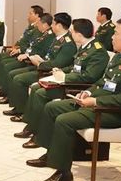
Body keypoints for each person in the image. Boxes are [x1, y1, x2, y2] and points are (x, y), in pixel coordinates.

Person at [27, 17, 121, 181]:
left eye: (116, 33)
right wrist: (89, 92)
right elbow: (103, 81)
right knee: (51, 107)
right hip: (102, 103)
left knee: (65, 121)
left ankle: (64, 174)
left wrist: (96, 101)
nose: (112, 38)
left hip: (118, 113)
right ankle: (52, 154)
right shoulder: (119, 56)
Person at [14, 19, 109, 149]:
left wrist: (65, 77)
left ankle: (37, 134)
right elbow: (74, 66)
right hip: (70, 81)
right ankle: (32, 127)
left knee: (40, 93)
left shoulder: (97, 51)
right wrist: (61, 71)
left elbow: (89, 76)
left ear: (79, 34)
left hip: (78, 87)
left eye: (72, 32)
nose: (70, 34)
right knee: (37, 87)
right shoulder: (85, 46)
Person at [3, 13, 77, 117]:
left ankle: (22, 110)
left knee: (19, 79)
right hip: (42, 67)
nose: (51, 26)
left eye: (54, 23)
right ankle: (19, 107)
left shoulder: (67, 43)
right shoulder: (58, 38)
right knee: (14, 74)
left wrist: (40, 63)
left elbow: (58, 64)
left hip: (48, 72)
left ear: (59, 26)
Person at [0, 13, 55, 104]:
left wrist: (27, 55)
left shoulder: (49, 35)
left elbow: (42, 53)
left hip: (36, 63)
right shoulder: (41, 32)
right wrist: (20, 50)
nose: (37, 24)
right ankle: (5, 90)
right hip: (29, 58)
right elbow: (31, 45)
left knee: (9, 69)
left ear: (45, 24)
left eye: (39, 23)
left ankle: (11, 97)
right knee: (6, 64)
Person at [0, 5, 44, 87]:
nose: (28, 15)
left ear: (37, 15)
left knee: (4, 61)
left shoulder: (37, 29)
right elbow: (23, 40)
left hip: (24, 53)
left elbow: (30, 45)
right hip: (19, 49)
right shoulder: (31, 26)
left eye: (30, 13)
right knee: (0, 56)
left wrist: (19, 49)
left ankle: (2, 84)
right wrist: (15, 47)